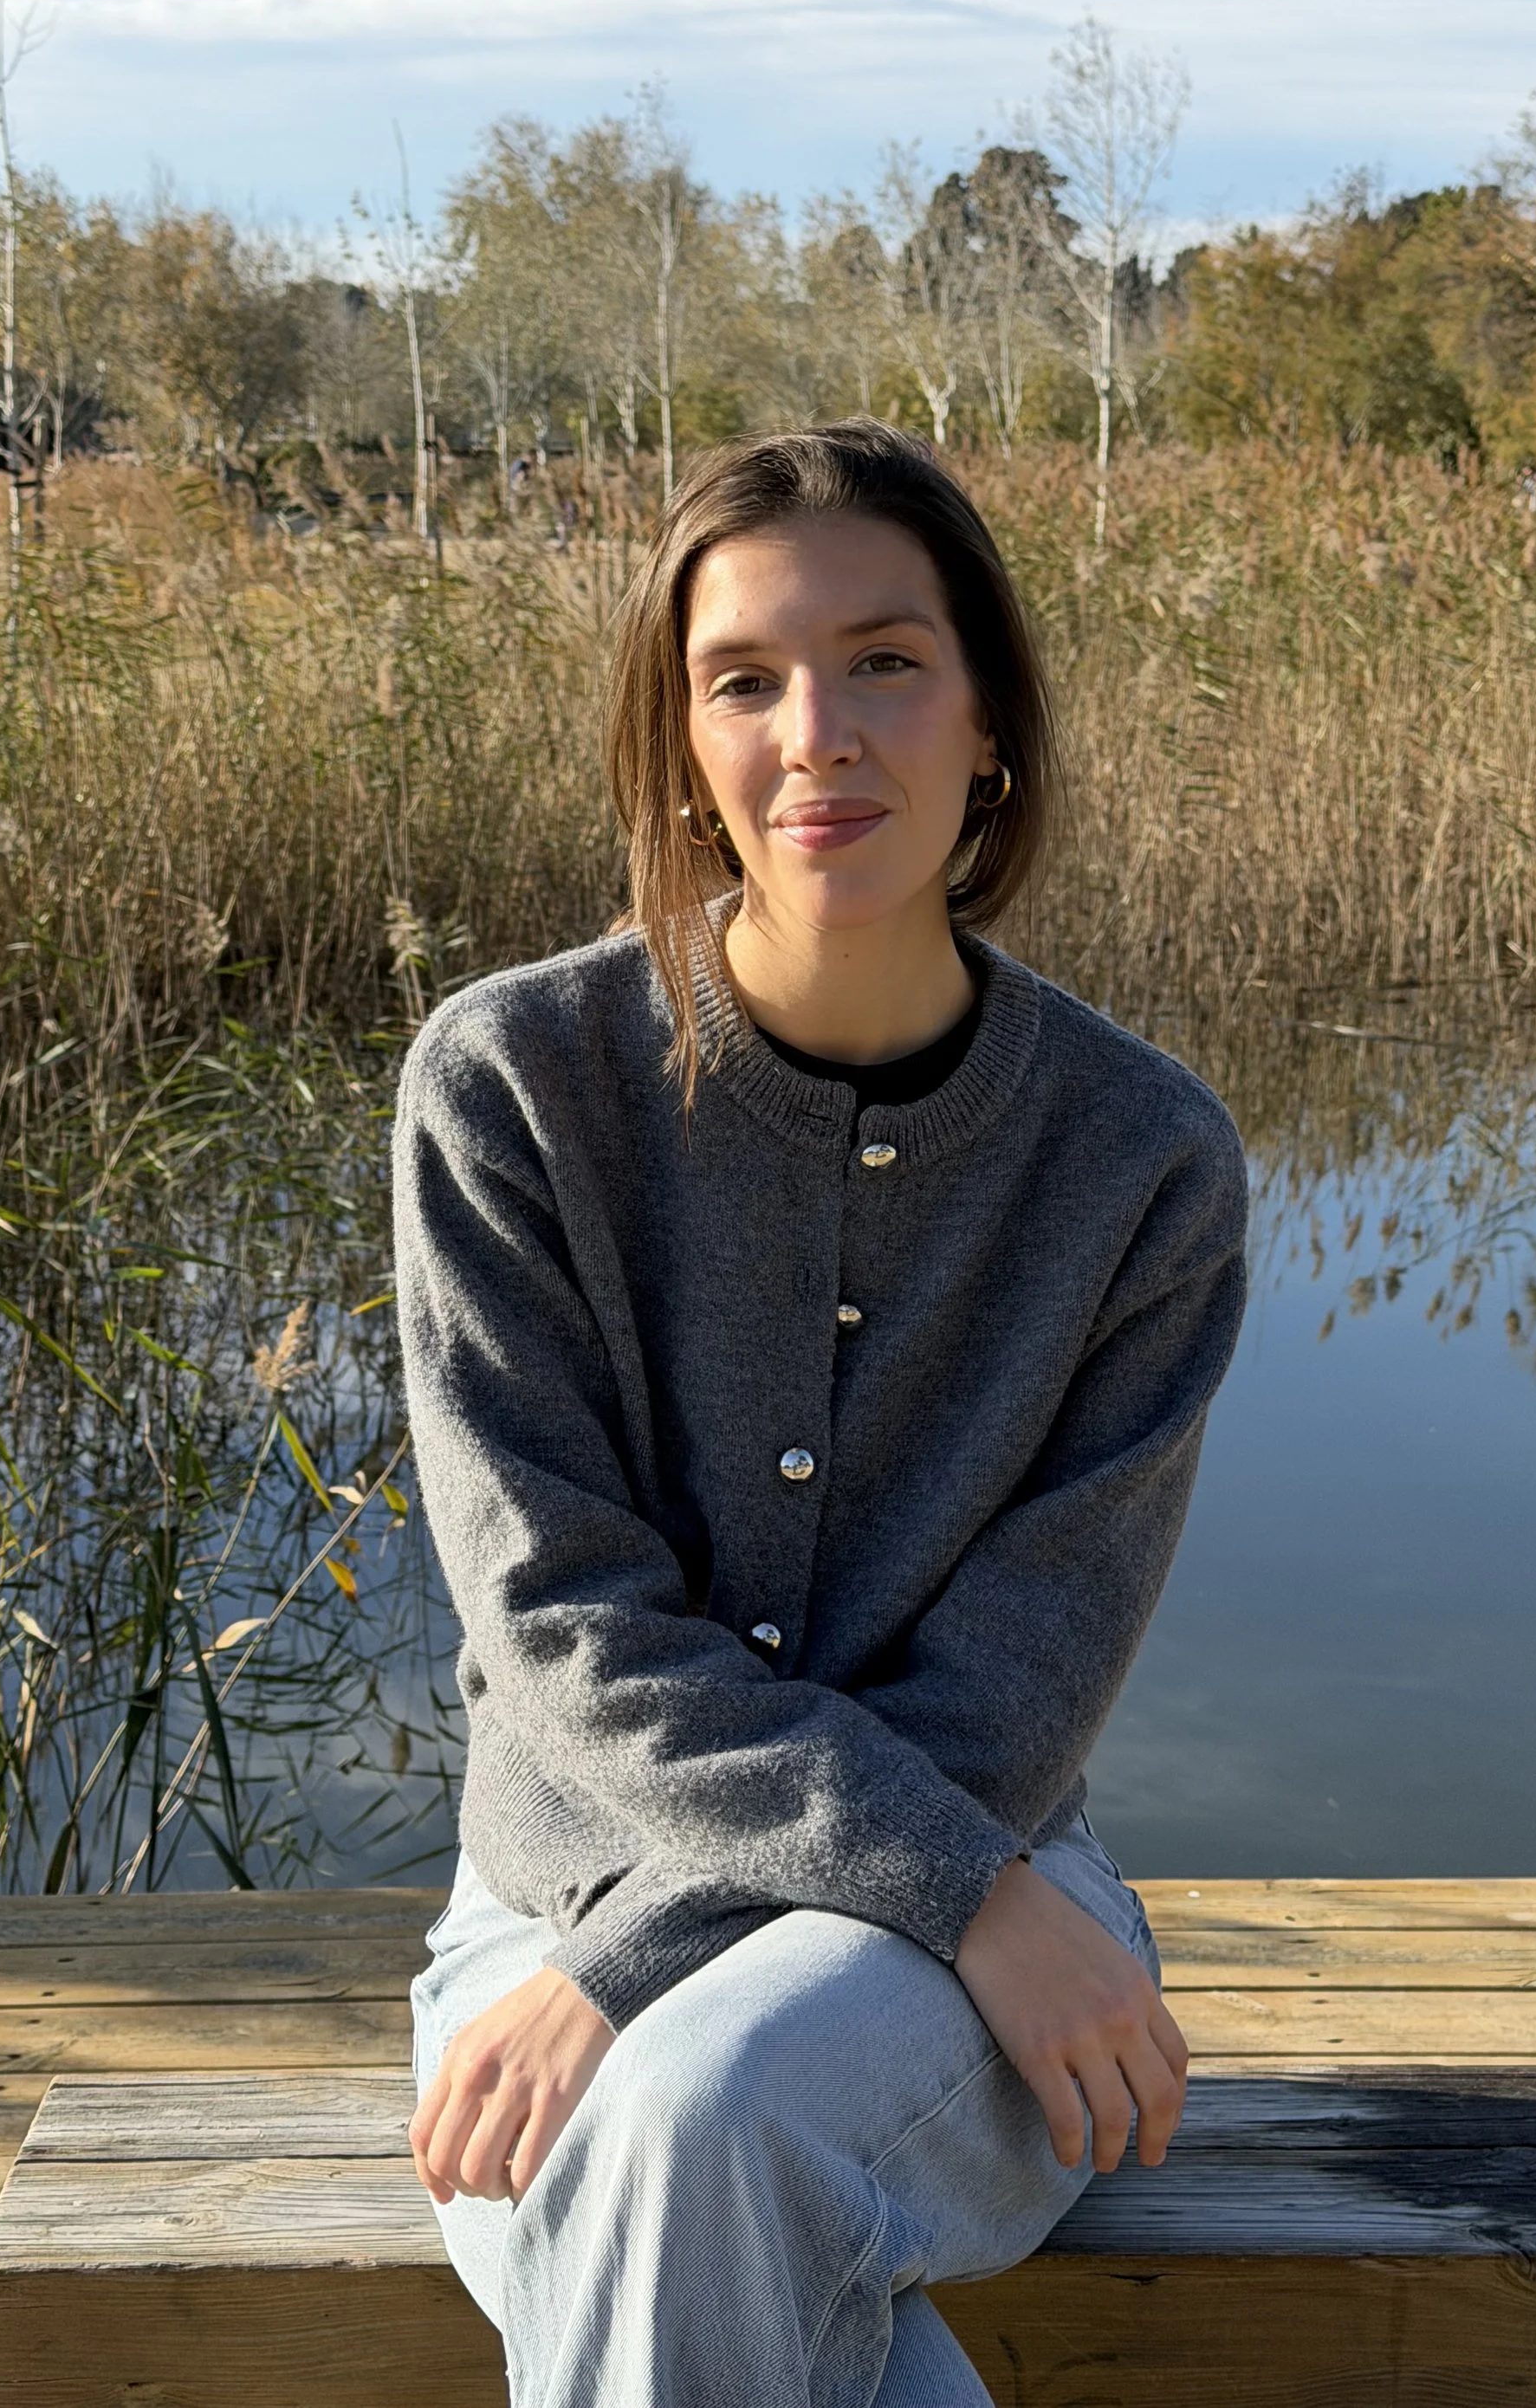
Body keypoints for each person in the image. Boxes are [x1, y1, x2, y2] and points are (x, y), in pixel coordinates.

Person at [394, 419, 1248, 2405]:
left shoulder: (1139, 1160)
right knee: (714, 2182)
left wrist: (942, 1910)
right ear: (676, 741)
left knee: (696, 2119)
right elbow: (560, 1627)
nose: (816, 734)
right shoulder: (513, 1086)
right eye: (743, 679)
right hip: (575, 1889)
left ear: (988, 721)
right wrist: (612, 1955)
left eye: (884, 660)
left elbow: (1024, 1673)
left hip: (981, 1903)